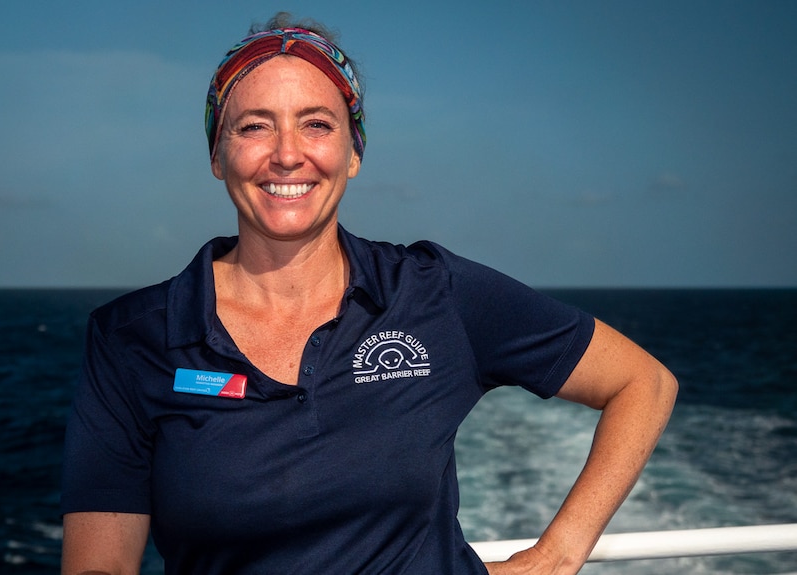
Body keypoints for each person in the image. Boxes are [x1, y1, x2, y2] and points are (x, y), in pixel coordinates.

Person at [61, 13, 677, 575]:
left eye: (317, 125)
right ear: (218, 155)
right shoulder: (131, 338)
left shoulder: (438, 294)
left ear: (353, 152)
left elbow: (642, 384)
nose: (286, 155)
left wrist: (557, 555)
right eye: (254, 127)